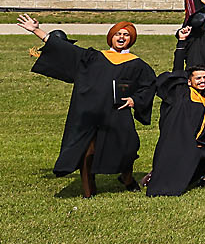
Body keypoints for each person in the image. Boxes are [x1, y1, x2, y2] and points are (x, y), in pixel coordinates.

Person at [21, 16, 155, 196]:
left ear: (132, 39)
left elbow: (148, 86)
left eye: (126, 35)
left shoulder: (137, 64)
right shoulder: (94, 56)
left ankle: (127, 177)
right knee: (87, 152)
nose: (121, 37)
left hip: (117, 112)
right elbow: (65, 50)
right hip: (89, 112)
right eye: (117, 34)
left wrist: (135, 100)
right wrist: (36, 30)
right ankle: (88, 189)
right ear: (111, 37)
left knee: (129, 147)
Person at [146, 66, 205, 196]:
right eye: (198, 78)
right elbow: (169, 78)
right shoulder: (181, 94)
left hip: (198, 144)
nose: (202, 81)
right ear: (189, 81)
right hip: (179, 143)